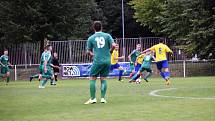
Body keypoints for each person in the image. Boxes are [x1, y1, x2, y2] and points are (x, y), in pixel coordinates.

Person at [84, 21, 116, 104]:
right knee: (103, 79)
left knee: (92, 78)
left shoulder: (91, 38)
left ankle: (93, 98)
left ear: (93, 28)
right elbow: (113, 45)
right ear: (101, 27)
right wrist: (111, 51)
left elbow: (88, 51)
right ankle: (103, 98)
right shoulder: (107, 35)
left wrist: (92, 55)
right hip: (107, 60)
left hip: (98, 61)